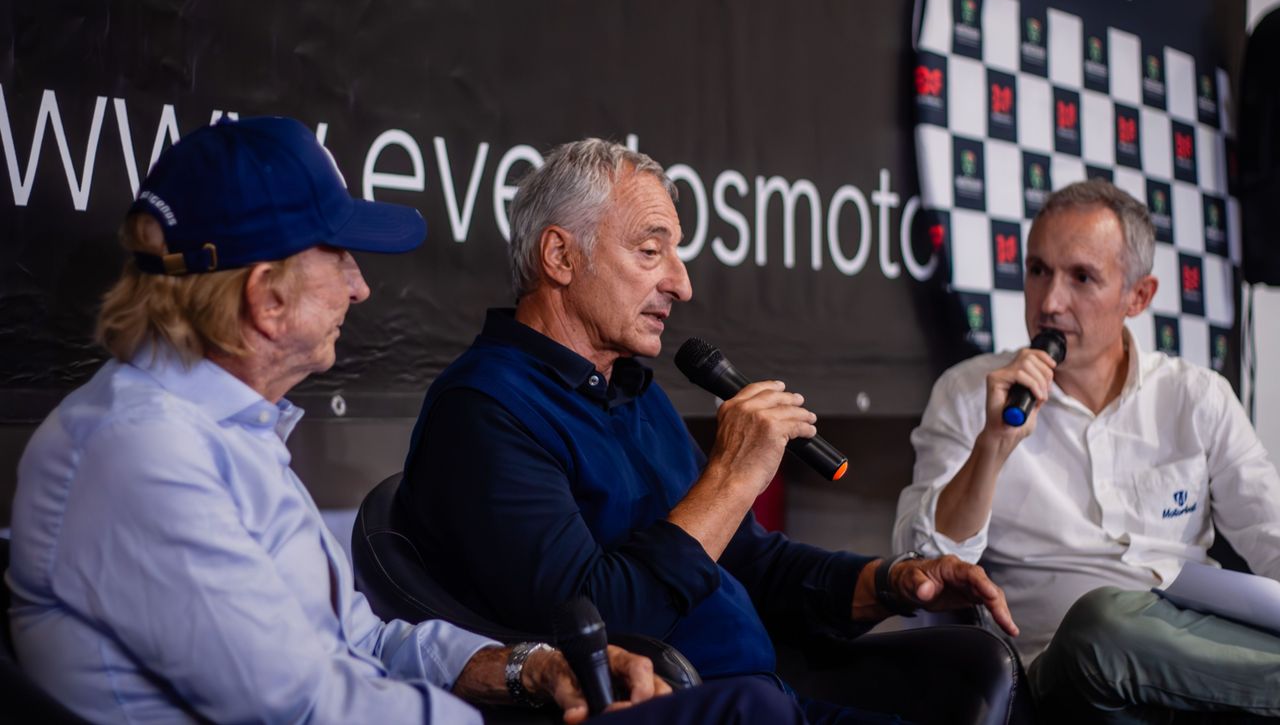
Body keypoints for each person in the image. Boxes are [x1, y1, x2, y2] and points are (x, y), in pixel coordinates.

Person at [6, 117, 798, 725]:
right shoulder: (139, 452)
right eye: (341, 260)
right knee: (748, 712)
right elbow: (305, 704)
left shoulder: (228, 434)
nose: (361, 288)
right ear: (266, 297)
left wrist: (529, 668)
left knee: (753, 707)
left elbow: (365, 639)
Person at [400, 138, 1018, 723]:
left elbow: (749, 559)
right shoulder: (484, 410)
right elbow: (595, 629)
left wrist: (893, 582)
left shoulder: (632, 390)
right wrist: (730, 477)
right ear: (560, 256)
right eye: (650, 251)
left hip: (774, 697)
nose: (681, 283)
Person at [893, 178, 1280, 721]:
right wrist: (993, 445)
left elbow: (1270, 534)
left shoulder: (1197, 395)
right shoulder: (968, 393)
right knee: (1099, 623)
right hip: (1065, 672)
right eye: (1038, 271)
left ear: (1138, 296)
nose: (1050, 302)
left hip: (1194, 669)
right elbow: (921, 565)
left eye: (1081, 278)